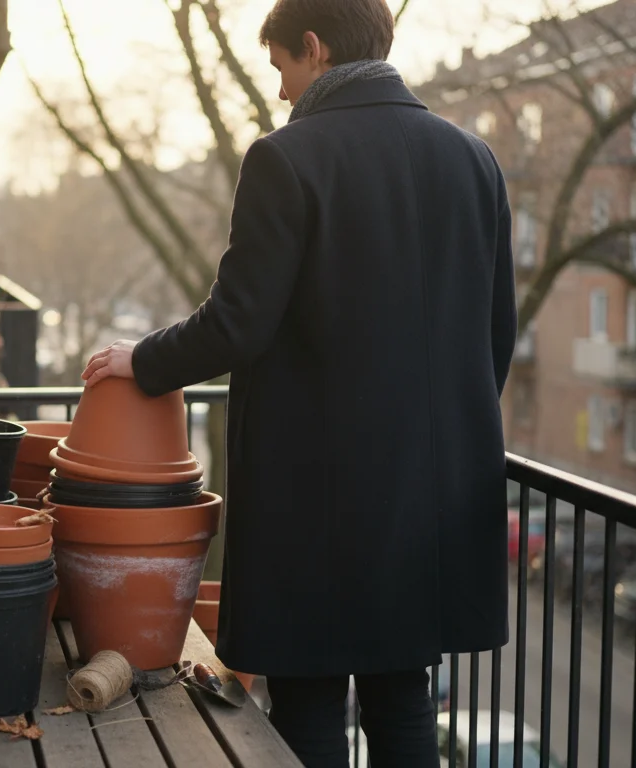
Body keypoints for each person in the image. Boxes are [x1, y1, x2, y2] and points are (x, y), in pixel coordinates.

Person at [81, 0, 516, 766]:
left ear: (313, 47)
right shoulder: (472, 157)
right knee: (402, 690)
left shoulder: (287, 157)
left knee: (309, 694)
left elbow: (237, 323)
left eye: (280, 65)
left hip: (320, 494)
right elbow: (495, 335)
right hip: (432, 491)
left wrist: (141, 360)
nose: (280, 89)